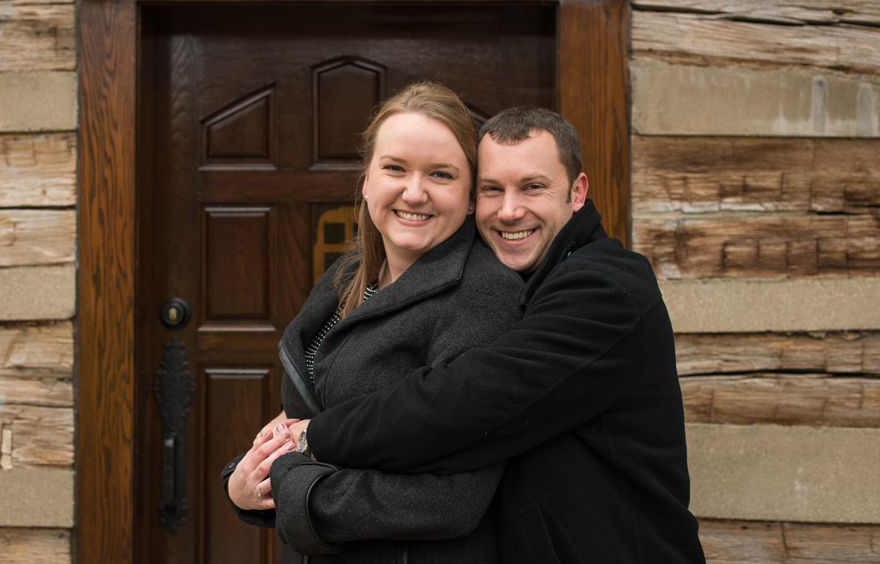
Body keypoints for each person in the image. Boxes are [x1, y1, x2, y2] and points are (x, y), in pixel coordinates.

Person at [288, 107, 707, 563]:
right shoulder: (524, 279)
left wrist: (313, 437)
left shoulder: (605, 291)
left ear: (577, 191)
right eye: (492, 190)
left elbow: (464, 401)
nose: (509, 211)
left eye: (533, 187)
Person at [222, 82, 525, 562]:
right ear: (367, 180)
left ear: (471, 197)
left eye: (441, 174)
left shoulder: (483, 297)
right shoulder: (348, 274)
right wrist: (243, 480)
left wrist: (295, 488)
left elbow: (454, 501)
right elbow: (308, 413)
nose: (414, 192)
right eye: (395, 168)